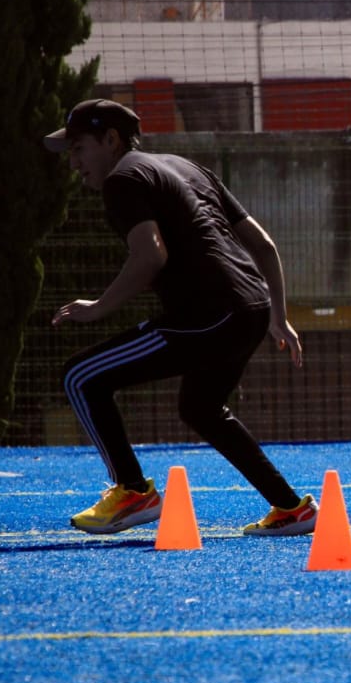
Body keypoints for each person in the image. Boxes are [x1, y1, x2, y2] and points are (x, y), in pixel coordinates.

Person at [44, 99, 318, 535]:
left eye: (79, 149)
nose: (74, 164)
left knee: (81, 376)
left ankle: (133, 491)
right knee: (201, 407)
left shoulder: (122, 179)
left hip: (212, 313)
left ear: (111, 140)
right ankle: (291, 508)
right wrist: (278, 315)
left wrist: (98, 307)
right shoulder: (186, 167)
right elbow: (264, 245)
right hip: (251, 306)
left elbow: (150, 255)